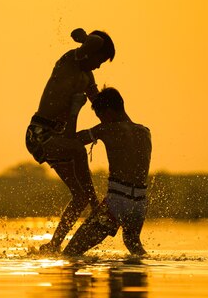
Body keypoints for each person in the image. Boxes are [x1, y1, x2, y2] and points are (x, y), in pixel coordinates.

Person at [26, 28, 115, 254]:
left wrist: (118, 124)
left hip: (59, 138)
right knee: (77, 149)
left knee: (80, 197)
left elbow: (101, 107)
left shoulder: (88, 77)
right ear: (88, 52)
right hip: (39, 133)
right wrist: (85, 39)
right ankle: (96, 206)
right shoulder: (70, 60)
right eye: (99, 59)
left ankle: (53, 244)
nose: (98, 66)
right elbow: (94, 40)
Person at [62, 87, 152, 256]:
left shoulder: (107, 129)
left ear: (109, 112)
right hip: (139, 203)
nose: (101, 121)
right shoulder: (145, 132)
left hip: (116, 203)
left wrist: (74, 110)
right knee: (134, 246)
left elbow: (71, 140)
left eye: (101, 117)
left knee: (70, 253)